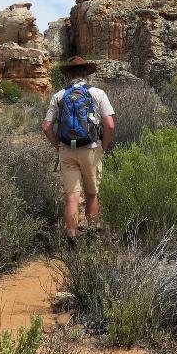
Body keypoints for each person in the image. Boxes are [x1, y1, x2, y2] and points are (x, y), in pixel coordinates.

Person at [42, 57, 115, 246]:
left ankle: (72, 241)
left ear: (68, 75)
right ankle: (92, 236)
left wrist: (58, 146)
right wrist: (104, 146)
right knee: (91, 194)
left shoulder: (59, 95)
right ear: (86, 74)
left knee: (71, 198)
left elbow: (46, 127)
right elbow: (109, 124)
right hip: (91, 149)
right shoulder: (98, 93)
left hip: (66, 149)